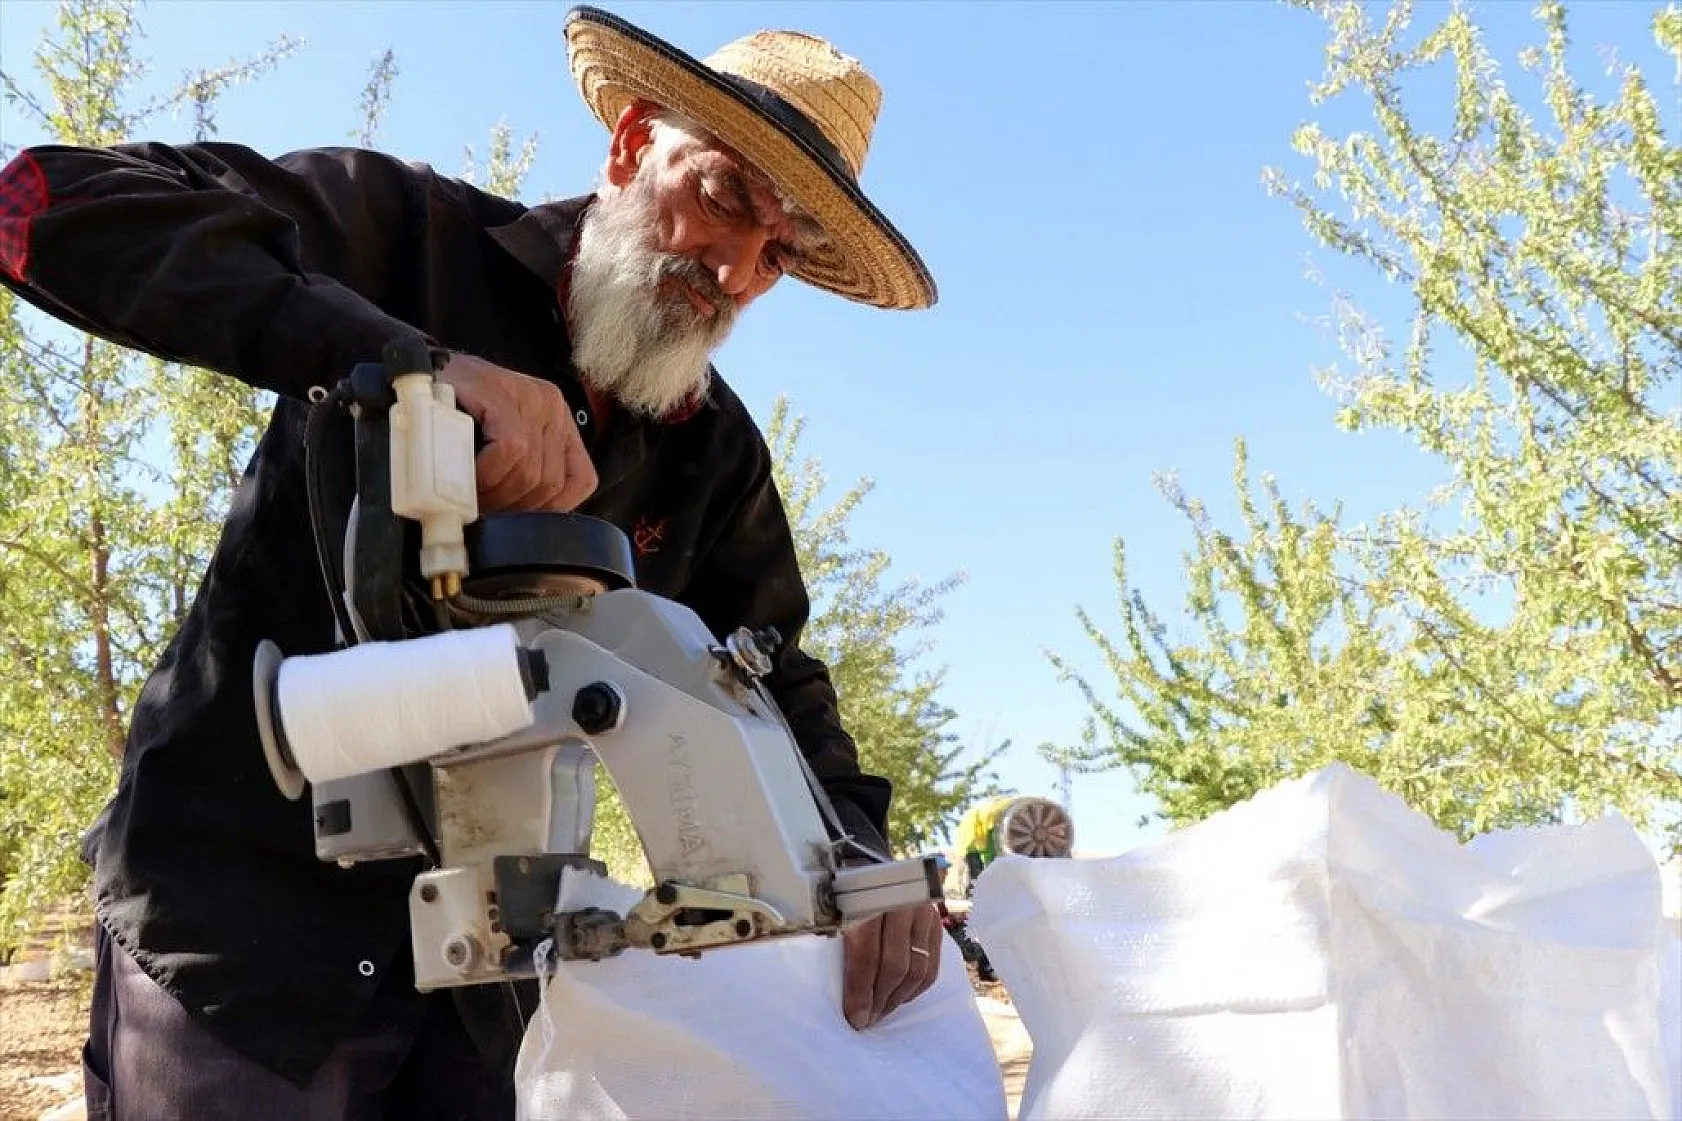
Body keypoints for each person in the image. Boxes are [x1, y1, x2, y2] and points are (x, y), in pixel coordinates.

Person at [0, 6, 943, 1118]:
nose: (731, 267)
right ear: (633, 144)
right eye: (725, 194)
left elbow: (770, 669)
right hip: (239, 933)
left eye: (774, 251)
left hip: (493, 976)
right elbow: (42, 207)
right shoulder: (406, 238)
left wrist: (866, 861)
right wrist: (413, 365)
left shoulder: (711, 450)